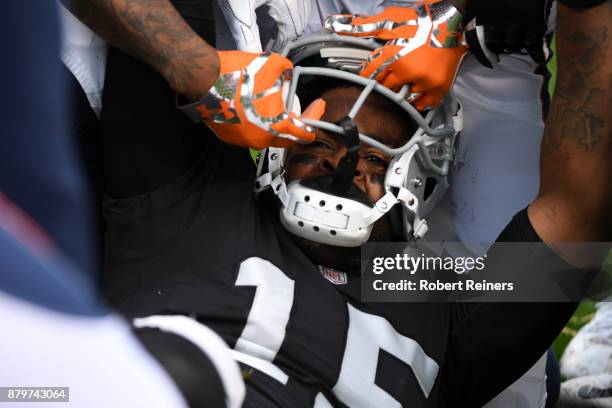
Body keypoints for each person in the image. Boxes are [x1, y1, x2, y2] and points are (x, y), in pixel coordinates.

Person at [67, 0, 610, 406]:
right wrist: (197, 72)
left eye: (378, 158)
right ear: (277, 147)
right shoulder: (196, 198)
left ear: (420, 185)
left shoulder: (426, 288)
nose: (344, 162)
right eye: (321, 139)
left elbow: (576, 204)